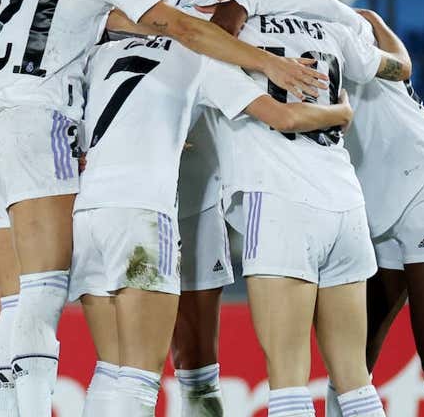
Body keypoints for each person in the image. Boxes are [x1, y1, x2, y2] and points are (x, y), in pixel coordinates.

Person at [0, 0, 320, 417]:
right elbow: (180, 27)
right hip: (78, 159)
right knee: (93, 343)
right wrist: (268, 61)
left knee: (18, 308)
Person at [215, 0, 424, 417]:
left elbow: (398, 65)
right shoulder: (247, 33)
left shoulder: (340, 23)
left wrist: (247, 2)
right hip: (369, 208)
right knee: (350, 368)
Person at [71, 33, 353, 417]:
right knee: (144, 378)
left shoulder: (102, 47)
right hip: (149, 211)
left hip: (93, 209)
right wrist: (341, 113)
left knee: (113, 369)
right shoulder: (202, 48)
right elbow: (283, 116)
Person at [210, 0, 412, 417]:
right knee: (356, 382)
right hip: (344, 206)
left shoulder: (227, 38)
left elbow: (198, 41)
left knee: (287, 382)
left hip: (278, 204)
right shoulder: (335, 25)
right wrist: (344, 105)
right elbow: (399, 68)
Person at [115, 0, 231, 415]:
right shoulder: (101, 7)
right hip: (126, 199)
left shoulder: (208, 11)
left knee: (198, 365)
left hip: (193, 195)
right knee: (126, 364)